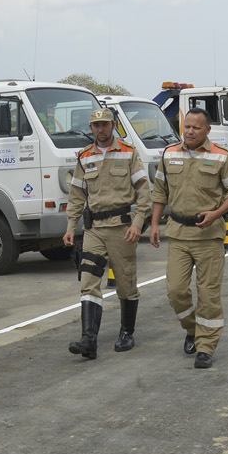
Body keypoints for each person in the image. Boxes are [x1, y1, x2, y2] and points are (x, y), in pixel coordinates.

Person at [148, 108, 228, 369]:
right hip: (178, 234)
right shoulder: (169, 154)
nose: (190, 131)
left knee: (208, 294)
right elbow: (160, 192)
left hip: (209, 236)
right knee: (176, 291)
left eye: (196, 128)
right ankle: (192, 330)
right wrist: (154, 224)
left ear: (207, 130)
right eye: (187, 127)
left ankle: (205, 347)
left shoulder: (222, 156)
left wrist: (217, 214)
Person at [63, 107, 152, 360]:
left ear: (114, 126)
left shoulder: (128, 152)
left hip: (122, 228)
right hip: (93, 230)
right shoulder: (84, 156)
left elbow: (143, 191)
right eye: (96, 125)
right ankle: (88, 340)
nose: (100, 129)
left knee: (126, 282)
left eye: (105, 124)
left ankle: (127, 332)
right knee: (88, 281)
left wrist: (138, 223)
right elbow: (77, 195)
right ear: (91, 128)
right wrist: (71, 227)